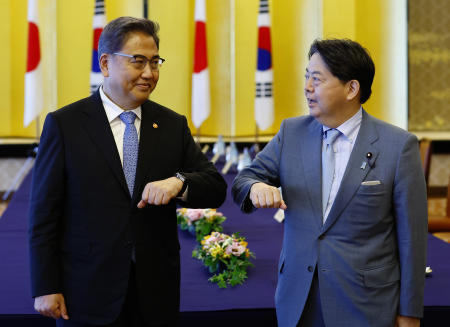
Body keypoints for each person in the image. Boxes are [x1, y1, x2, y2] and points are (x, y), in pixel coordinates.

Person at [29, 16, 227, 327]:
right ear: (105, 64)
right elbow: (43, 214)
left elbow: (216, 186)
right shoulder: (65, 125)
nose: (149, 73)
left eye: (155, 62)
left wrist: (179, 183)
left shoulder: (172, 125)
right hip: (87, 290)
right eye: (138, 62)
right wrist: (46, 286)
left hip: (154, 292)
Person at [232, 39, 427, 327]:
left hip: (365, 303)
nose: (307, 87)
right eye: (306, 77)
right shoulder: (292, 133)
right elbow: (243, 180)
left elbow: (412, 238)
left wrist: (410, 313)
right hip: (298, 298)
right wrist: (255, 187)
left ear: (351, 88)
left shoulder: (398, 147)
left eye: (317, 79)